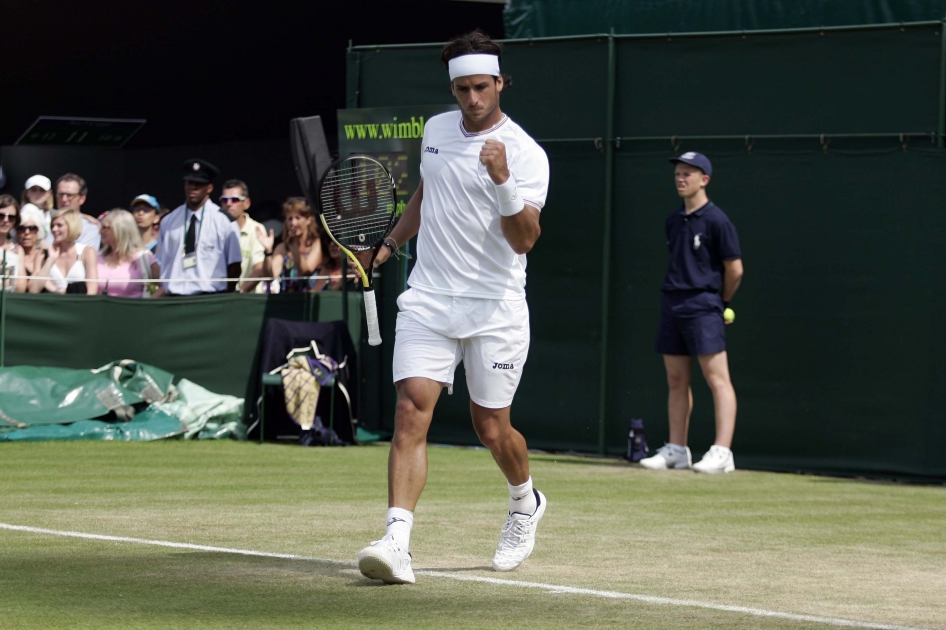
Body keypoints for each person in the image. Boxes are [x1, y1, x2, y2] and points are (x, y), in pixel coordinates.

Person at [355, 30, 550, 585]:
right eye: (462, 89)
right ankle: (396, 541)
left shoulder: (526, 153)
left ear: (500, 84)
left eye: (481, 88)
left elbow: (525, 239)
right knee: (410, 411)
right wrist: (389, 245)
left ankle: (523, 500)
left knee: (491, 427)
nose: (471, 99)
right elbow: (426, 192)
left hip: (495, 306)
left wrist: (503, 179)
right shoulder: (436, 130)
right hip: (430, 298)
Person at [639, 152, 744, 474]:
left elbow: (735, 270)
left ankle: (722, 452)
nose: (680, 179)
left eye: (688, 174)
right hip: (673, 302)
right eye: (677, 174)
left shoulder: (717, 220)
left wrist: (719, 301)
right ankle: (677, 450)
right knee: (675, 379)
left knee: (716, 379)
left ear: (704, 180)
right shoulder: (673, 219)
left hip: (705, 305)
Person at [154, 159, 241, 296]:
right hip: (174, 298)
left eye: (198, 184)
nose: (192, 187)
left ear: (209, 188)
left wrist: (224, 296)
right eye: (189, 182)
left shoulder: (224, 221)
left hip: (209, 298)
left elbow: (234, 266)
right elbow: (161, 262)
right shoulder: (168, 221)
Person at [255, 197, 322, 293]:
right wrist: (268, 251)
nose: (293, 223)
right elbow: (269, 277)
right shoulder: (283, 247)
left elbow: (305, 272)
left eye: (297, 218)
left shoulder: (316, 243)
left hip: (308, 301)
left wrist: (294, 245)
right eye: (290, 218)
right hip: (287, 302)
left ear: (308, 219)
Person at [29, 209, 98, 294]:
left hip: (79, 305)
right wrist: (50, 260)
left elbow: (92, 290)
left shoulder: (87, 252)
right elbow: (33, 290)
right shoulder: (42, 254)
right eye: (52, 226)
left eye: (59, 225)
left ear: (72, 226)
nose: (54, 229)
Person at [95, 209, 160, 298]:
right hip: (99, 311)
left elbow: (166, 284)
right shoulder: (96, 257)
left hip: (134, 311)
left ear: (119, 230)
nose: (100, 232)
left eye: (104, 228)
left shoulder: (143, 257)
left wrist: (147, 304)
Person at [219, 179, 265, 293]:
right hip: (219, 299)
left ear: (247, 203)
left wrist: (239, 293)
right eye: (225, 200)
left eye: (235, 200)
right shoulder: (213, 229)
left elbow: (259, 269)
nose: (228, 204)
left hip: (248, 302)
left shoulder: (256, 229)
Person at [54, 173, 101, 249]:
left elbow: (83, 257)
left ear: (82, 199)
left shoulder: (90, 228)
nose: (64, 199)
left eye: (69, 195)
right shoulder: (45, 218)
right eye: (60, 194)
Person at [0, 195, 27, 292]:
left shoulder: (17, 250)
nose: (6, 220)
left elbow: (21, 288)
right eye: (1, 216)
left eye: (11, 217)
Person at [17, 204, 49, 279]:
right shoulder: (11, 256)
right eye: (21, 228)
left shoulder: (47, 256)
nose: (27, 232)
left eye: (32, 228)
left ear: (39, 232)